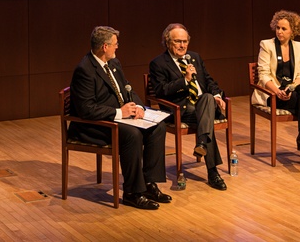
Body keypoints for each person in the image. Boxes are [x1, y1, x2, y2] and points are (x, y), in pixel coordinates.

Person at [69, 26, 170, 210]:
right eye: (115, 44)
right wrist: (119, 113)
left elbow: (128, 88)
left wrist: (138, 107)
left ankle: (149, 184)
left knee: (158, 128)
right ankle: (132, 193)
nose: (118, 47)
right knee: (132, 134)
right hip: (92, 125)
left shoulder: (114, 63)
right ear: (104, 46)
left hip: (117, 119)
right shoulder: (84, 70)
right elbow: (86, 109)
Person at [148, 23, 228, 191]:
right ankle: (213, 172)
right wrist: (184, 80)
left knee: (206, 98)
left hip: (202, 105)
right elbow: (161, 91)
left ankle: (202, 144)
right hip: (181, 110)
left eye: (185, 41)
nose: (182, 45)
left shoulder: (195, 57)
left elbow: (209, 81)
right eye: (178, 41)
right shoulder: (158, 63)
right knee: (205, 117)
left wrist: (217, 96)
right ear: (168, 42)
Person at [252, 9, 300, 170]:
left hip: (292, 92)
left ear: (293, 31)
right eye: (278, 28)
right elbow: (263, 75)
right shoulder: (267, 45)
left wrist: (292, 87)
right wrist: (277, 91)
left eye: (284, 29)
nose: (279, 32)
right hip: (273, 94)